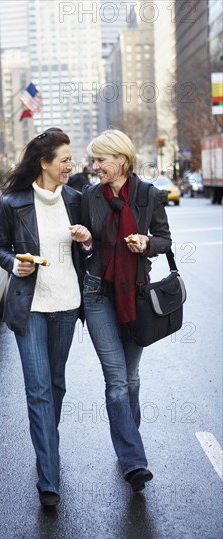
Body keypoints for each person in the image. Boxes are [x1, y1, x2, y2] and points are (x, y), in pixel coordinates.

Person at [0, 128, 91, 507]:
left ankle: (47, 444)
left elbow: (89, 250)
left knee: (56, 384)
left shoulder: (76, 199)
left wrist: (87, 240)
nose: (71, 165)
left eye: (71, 159)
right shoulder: (14, 203)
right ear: (45, 163)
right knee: (38, 390)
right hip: (30, 308)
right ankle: (49, 475)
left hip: (67, 303)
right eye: (65, 160)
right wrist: (15, 263)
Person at [70, 129, 172, 493]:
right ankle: (134, 461)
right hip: (97, 293)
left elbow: (165, 240)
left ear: (122, 161)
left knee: (130, 378)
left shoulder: (148, 195)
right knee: (115, 379)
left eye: (101, 160)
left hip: (136, 294)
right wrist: (85, 243)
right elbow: (87, 247)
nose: (94, 166)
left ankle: (130, 438)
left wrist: (146, 243)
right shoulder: (89, 196)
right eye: (93, 160)